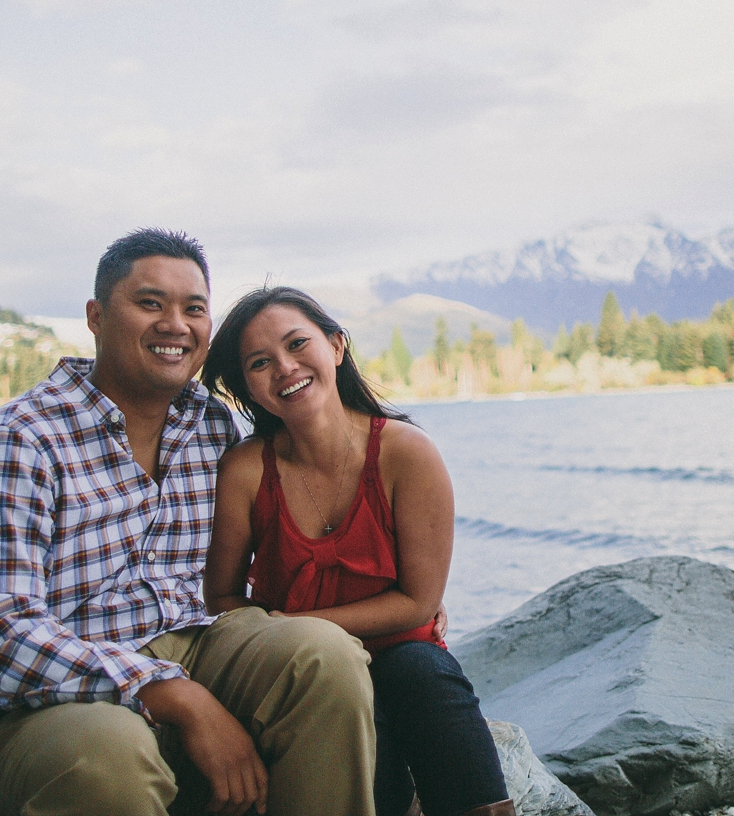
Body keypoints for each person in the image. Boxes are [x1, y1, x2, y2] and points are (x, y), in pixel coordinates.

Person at [0, 230, 378, 816]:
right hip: (48, 704)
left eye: (194, 309)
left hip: (200, 646)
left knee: (322, 656)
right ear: (95, 316)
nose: (176, 324)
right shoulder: (18, 443)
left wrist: (401, 595)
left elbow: (278, 548)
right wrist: (174, 695)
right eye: (150, 303)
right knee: (106, 755)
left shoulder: (212, 427)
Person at [201, 287, 513, 816]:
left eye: (298, 344)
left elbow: (417, 601)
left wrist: (294, 621)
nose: (285, 368)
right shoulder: (246, 470)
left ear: (337, 346)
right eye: (260, 363)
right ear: (246, 388)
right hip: (307, 671)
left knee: (421, 674)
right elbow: (222, 598)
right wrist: (298, 641)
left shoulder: (405, 453)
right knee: (348, 695)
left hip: (402, 653)